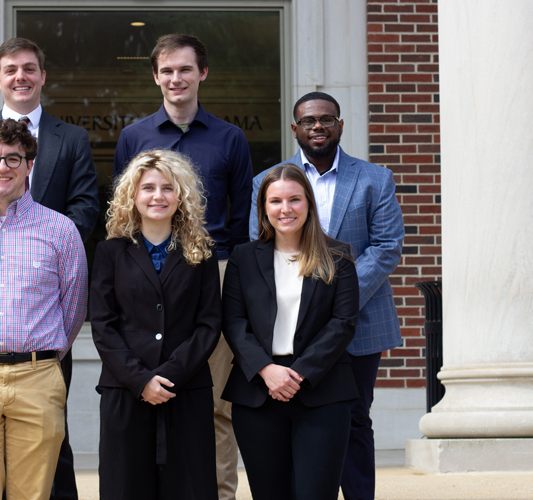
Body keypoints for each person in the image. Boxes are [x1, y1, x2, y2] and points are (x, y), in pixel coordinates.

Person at [0, 38, 99, 500]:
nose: (21, 76)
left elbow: (86, 206)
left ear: (42, 77)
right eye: (11, 69)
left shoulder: (70, 138)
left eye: (29, 68)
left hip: (44, 316)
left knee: (52, 436)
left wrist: (44, 244)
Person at [113, 33, 252, 500]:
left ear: (202, 74)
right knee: (147, 389)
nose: (176, 78)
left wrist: (224, 269)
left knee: (211, 401)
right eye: (167, 71)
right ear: (156, 77)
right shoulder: (134, 137)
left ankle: (218, 493)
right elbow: (124, 209)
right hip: (146, 271)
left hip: (209, 272)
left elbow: (242, 215)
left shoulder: (230, 137)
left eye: (185, 69)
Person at [249, 92, 404, 500]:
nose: (318, 126)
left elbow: (387, 247)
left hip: (361, 324)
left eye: (327, 119)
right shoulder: (267, 182)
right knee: (300, 417)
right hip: (288, 327)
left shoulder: (375, 179)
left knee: (354, 419)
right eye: (309, 120)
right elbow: (260, 246)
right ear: (295, 128)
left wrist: (340, 298)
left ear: (339, 125)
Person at [91, 150, 221, 500]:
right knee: (125, 488)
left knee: (190, 489)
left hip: (186, 390)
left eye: (168, 187)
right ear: (132, 195)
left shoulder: (202, 253)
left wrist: (169, 375)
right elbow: (103, 325)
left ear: (182, 196)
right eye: (148, 187)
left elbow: (209, 324)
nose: (158, 196)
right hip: (126, 391)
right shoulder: (110, 252)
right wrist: (141, 379)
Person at [223, 164, 359, 499]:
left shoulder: (337, 256)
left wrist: (296, 374)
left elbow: (343, 324)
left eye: (295, 199)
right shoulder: (243, 257)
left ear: (309, 204)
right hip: (258, 393)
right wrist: (267, 370)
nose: (285, 209)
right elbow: (233, 321)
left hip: (322, 392)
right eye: (276, 201)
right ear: (263, 208)